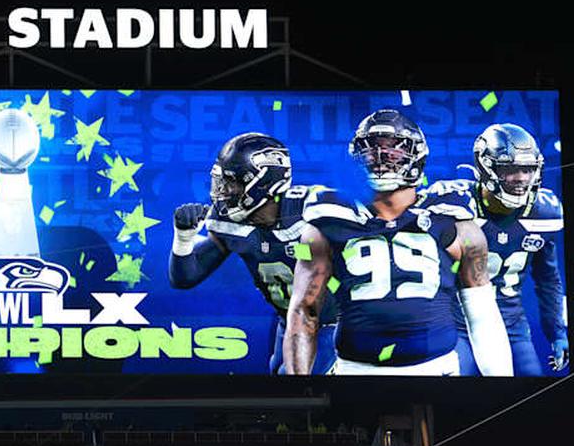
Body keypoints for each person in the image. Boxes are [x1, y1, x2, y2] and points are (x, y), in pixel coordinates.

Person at [285, 109, 512, 375]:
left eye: (393, 150)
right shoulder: (326, 221)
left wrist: (501, 383)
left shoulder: (454, 220)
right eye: (372, 149)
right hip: (355, 373)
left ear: (417, 155)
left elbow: (482, 314)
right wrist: (299, 385)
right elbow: (304, 311)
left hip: (438, 372)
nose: (381, 158)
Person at [169, 132, 337, 374]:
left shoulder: (317, 209)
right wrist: (183, 237)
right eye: (222, 181)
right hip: (289, 323)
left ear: (264, 182)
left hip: (338, 324)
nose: (224, 191)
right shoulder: (230, 222)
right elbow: (185, 277)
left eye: (233, 182)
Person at [418, 123, 567, 374]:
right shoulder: (454, 202)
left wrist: (557, 331)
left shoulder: (545, 210)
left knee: (529, 385)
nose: (520, 178)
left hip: (511, 323)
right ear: (486, 168)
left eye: (527, 169)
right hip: (457, 320)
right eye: (510, 169)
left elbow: (548, 280)